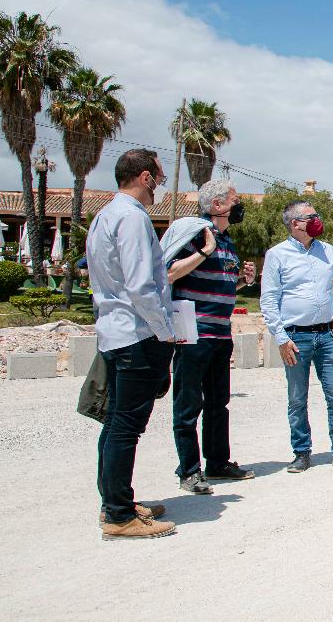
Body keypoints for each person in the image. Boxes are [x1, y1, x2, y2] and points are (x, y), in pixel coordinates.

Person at [87, 149, 178, 540]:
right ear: (144, 177)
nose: (159, 185)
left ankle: (116, 501)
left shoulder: (105, 214)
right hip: (137, 334)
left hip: (114, 331)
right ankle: (119, 515)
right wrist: (165, 330)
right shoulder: (132, 218)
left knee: (115, 424)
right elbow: (142, 286)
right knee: (126, 427)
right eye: (158, 177)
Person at [164, 179, 257, 495]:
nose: (239, 204)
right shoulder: (195, 234)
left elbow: (221, 285)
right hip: (193, 334)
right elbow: (169, 272)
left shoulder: (226, 240)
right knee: (188, 404)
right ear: (217, 205)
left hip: (220, 333)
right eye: (235, 199)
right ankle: (189, 470)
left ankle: (217, 462)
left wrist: (244, 282)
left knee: (219, 402)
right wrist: (204, 251)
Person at [260, 201, 333, 473]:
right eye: (311, 216)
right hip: (295, 338)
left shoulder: (327, 251)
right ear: (295, 223)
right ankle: (302, 452)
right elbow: (268, 300)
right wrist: (280, 338)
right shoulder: (276, 255)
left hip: (327, 336)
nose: (318, 220)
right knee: (297, 398)